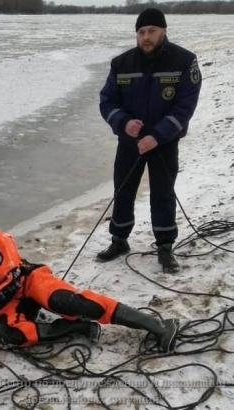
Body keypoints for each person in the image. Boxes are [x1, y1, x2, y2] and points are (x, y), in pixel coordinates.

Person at [0, 197, 179, 352]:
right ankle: (77, 329)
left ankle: (157, 325)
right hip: (1, 303)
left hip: (28, 281)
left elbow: (12, 280)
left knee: (72, 302)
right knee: (8, 336)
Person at [98, 8, 202, 273]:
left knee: (162, 194)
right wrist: (124, 123)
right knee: (123, 191)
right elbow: (108, 100)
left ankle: (165, 247)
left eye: (151, 31)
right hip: (129, 142)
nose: (146, 37)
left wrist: (157, 136)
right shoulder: (121, 63)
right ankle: (119, 240)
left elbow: (184, 107)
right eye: (141, 32)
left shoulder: (184, 61)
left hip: (164, 143)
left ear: (163, 31)